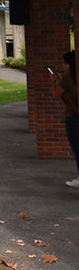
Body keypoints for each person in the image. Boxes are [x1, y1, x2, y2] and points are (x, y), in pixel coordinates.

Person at [49, 51, 79, 187]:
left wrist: (53, 81)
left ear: (69, 65)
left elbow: (55, 94)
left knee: (76, 147)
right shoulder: (74, 78)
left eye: (64, 63)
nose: (62, 65)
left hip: (72, 117)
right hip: (76, 115)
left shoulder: (66, 79)